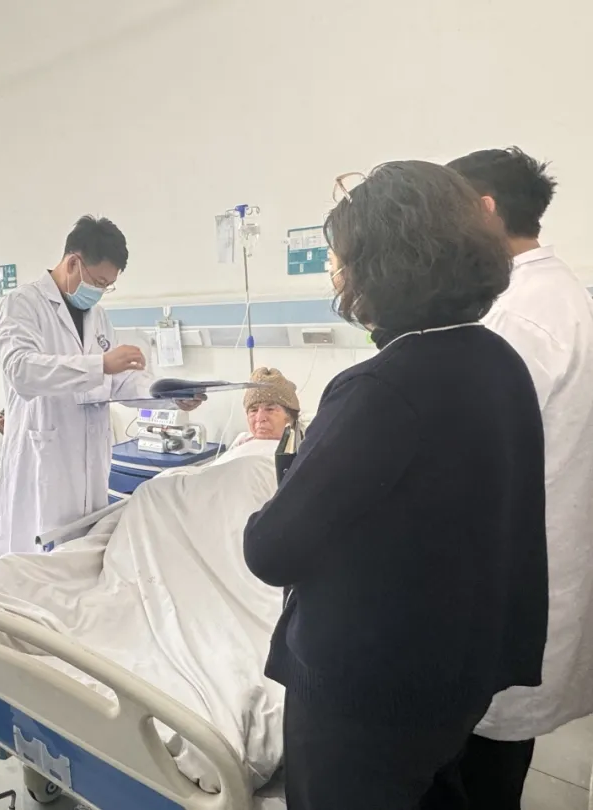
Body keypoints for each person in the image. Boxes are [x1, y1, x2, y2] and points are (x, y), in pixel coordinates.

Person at [243, 162, 549, 810]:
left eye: (340, 259)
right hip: (455, 677)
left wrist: (278, 489)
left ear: (380, 268)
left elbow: (270, 552)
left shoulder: (381, 389)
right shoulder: (497, 362)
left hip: (366, 696)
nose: (335, 272)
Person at [448, 147, 593, 809]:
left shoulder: (515, 319)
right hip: (546, 571)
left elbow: (466, 460)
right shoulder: (564, 295)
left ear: (483, 210)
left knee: (481, 769)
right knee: (502, 761)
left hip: (509, 579)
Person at [0, 215, 201, 557]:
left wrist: (171, 397)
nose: (101, 291)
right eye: (99, 281)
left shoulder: (98, 316)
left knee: (82, 558)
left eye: (108, 285)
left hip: (90, 463)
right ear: (73, 262)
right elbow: (21, 371)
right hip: (44, 462)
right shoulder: (23, 304)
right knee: (39, 561)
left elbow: (121, 383)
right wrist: (100, 365)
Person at [232, 367, 300, 446]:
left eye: (270, 409)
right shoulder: (241, 443)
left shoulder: (303, 447)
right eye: (254, 410)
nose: (260, 418)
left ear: (291, 417)